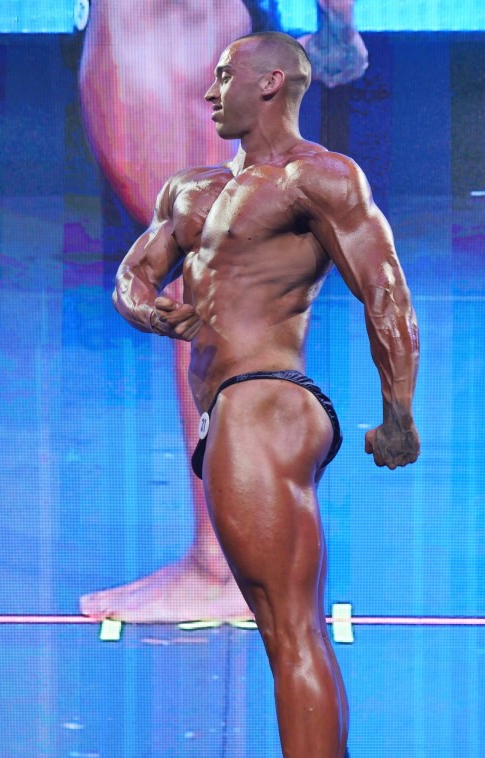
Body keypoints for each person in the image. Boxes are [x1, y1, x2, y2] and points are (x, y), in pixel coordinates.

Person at [104, 31, 420, 758]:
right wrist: (149, 310)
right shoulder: (193, 189)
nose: (210, 93)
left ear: (272, 83)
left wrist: (398, 414)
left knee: (290, 631)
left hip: (264, 401)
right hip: (231, 416)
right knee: (288, 628)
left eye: (224, 77)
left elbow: (385, 292)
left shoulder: (319, 179)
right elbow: (135, 274)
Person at [78, 0, 368, 623]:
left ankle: (223, 566)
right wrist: (337, 30)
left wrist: (338, 23)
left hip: (159, 47)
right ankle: (248, 553)